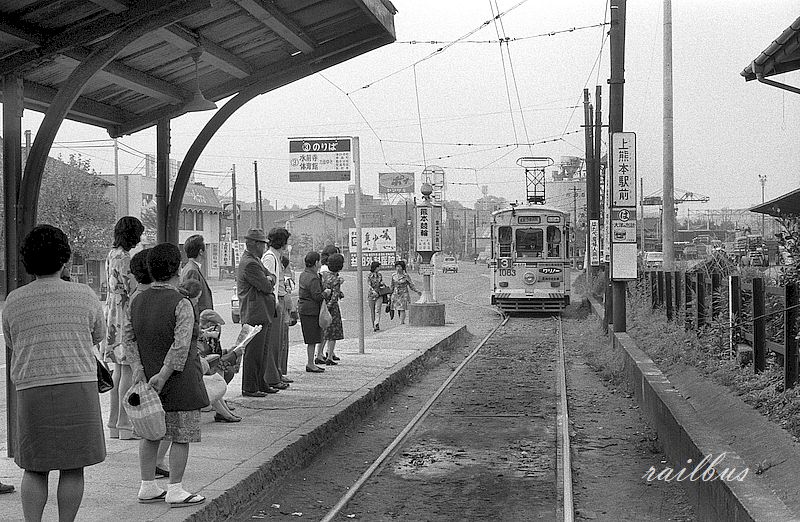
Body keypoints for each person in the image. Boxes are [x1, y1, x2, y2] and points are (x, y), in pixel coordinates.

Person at [3, 225, 106, 521]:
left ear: (28, 261)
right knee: (73, 467)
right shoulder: (85, 295)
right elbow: (97, 335)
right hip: (78, 388)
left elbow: (12, 341)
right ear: (65, 259)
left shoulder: (14, 300)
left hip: (31, 389)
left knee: (34, 467)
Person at [126, 243, 209, 507]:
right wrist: (163, 374)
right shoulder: (181, 302)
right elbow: (181, 344)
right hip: (178, 380)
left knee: (151, 433)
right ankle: (176, 489)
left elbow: (128, 339)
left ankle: (147, 486)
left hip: (145, 378)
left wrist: (139, 370)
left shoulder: (136, 300)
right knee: (181, 436)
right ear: (176, 268)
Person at [105, 216, 144, 440]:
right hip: (125, 315)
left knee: (118, 372)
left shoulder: (111, 255)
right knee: (128, 369)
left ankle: (113, 424)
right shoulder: (125, 258)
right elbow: (133, 289)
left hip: (113, 312)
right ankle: (124, 424)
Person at [237, 228, 279, 397]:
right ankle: (250, 386)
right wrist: (269, 279)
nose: (264, 247)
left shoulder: (255, 260)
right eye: (262, 244)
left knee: (262, 350)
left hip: (262, 312)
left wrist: (269, 278)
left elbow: (272, 277)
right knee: (254, 352)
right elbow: (267, 285)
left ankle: (260, 382)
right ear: (254, 244)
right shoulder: (250, 263)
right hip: (255, 313)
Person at [261, 227, 291, 389]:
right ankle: (272, 377)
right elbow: (269, 282)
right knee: (273, 342)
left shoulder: (276, 257)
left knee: (279, 341)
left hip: (278, 301)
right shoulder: (270, 258)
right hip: (274, 302)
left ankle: (277, 373)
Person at [298, 252, 329, 373]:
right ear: (316, 262)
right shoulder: (313, 277)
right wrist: (326, 292)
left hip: (304, 309)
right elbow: (317, 296)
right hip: (311, 311)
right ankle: (310, 363)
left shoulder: (303, 274)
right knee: (312, 339)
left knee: (311, 338)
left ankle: (311, 362)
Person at [320, 253, 345, 365]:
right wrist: (329, 307)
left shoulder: (323, 275)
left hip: (322, 305)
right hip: (332, 308)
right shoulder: (336, 279)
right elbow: (334, 296)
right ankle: (329, 356)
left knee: (323, 332)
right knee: (332, 334)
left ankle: (319, 354)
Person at [180, 234, 213, 313]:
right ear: (201, 252)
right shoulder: (192, 270)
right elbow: (193, 299)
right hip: (200, 319)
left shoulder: (189, 268)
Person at [391, 260, 421, 325]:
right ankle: (402, 321)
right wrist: (389, 294)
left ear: (402, 267)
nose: (398, 268)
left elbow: (411, 285)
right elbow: (392, 286)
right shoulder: (393, 275)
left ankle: (401, 322)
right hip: (395, 294)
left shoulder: (406, 276)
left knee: (402, 309)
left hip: (403, 294)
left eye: (399, 266)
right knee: (397, 308)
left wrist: (417, 291)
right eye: (397, 267)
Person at [366, 261, 384, 332]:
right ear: (375, 267)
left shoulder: (380, 275)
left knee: (377, 309)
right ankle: (374, 324)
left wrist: (382, 284)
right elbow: (369, 285)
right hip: (371, 295)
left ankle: (376, 323)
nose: (379, 268)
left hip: (379, 294)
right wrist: (373, 291)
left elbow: (381, 283)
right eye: (378, 267)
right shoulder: (369, 275)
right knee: (372, 311)